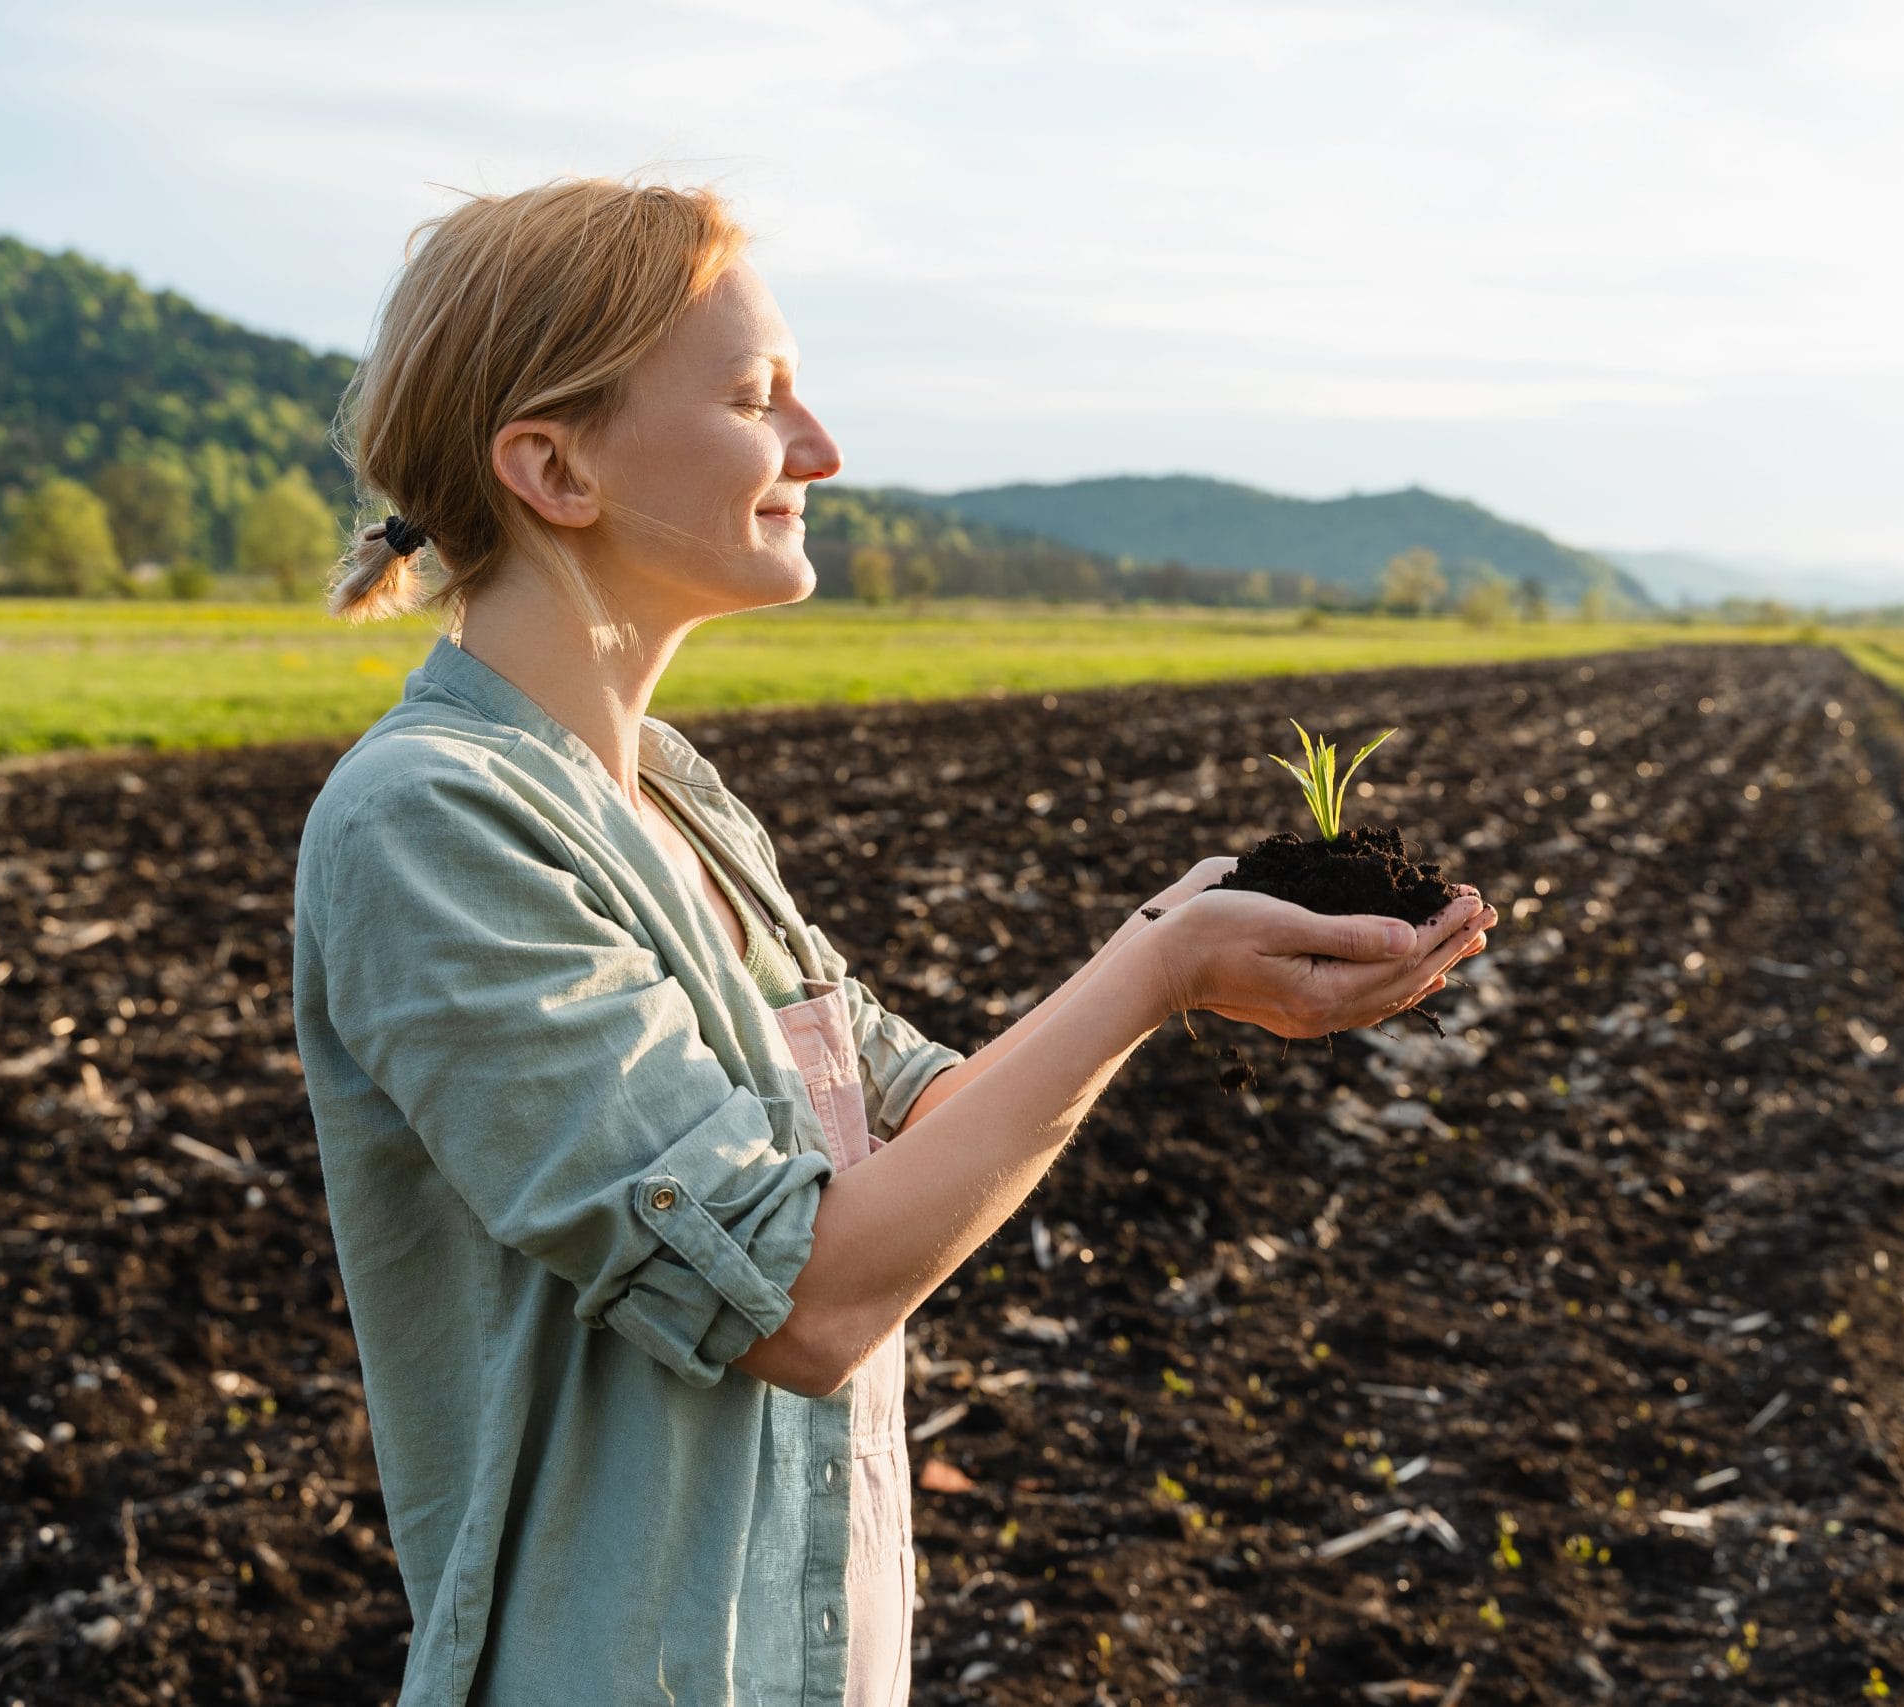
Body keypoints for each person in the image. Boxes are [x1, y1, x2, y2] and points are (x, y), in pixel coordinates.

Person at [287, 173, 1497, 1707]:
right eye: (755, 397)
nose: (821, 450)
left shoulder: (673, 799)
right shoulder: (433, 823)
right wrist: (1155, 972)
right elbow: (799, 1298)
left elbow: (917, 1113)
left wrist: (1183, 939)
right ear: (552, 465)